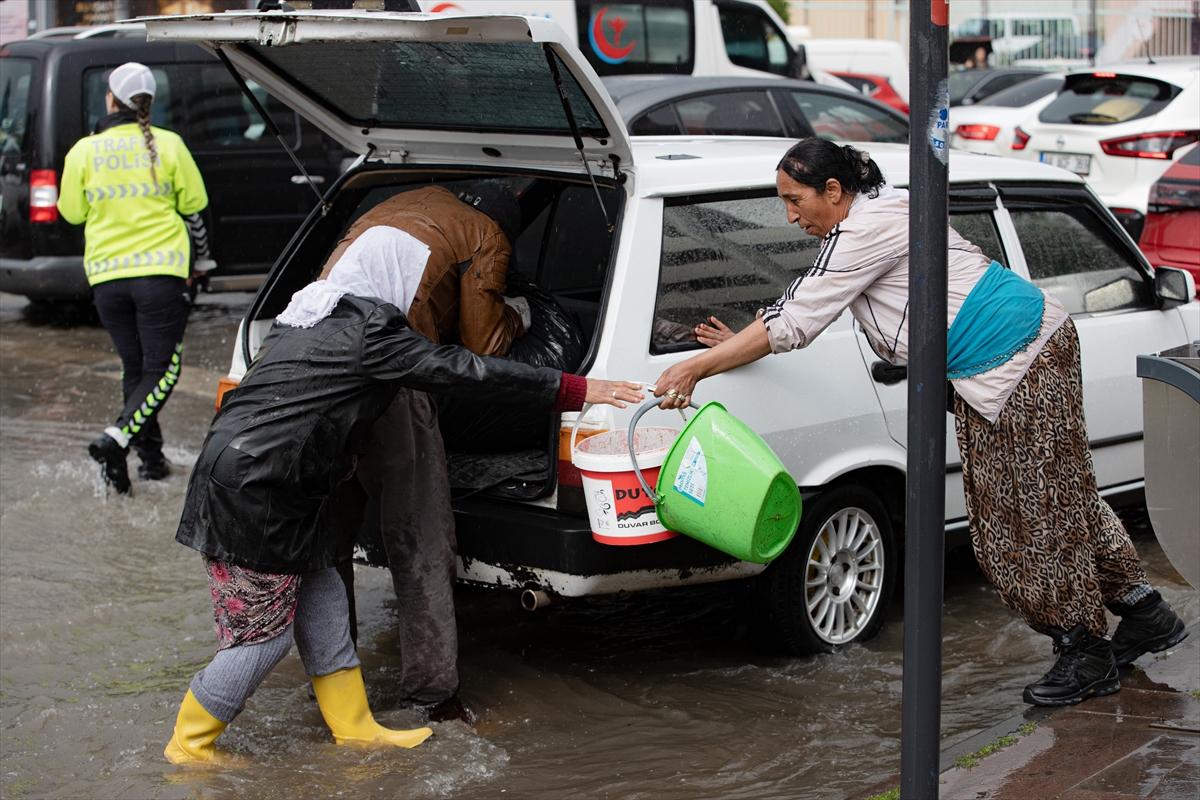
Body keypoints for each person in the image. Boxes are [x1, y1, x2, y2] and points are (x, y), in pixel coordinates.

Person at [655, 138, 1186, 708]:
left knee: (1019, 518)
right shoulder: (876, 211)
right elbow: (800, 307)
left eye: (793, 200)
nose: (788, 216)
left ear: (833, 191)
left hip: (1012, 359)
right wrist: (734, 345)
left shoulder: (863, 230)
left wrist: (697, 366)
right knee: (1061, 499)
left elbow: (796, 320)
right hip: (1031, 346)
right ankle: (1144, 612)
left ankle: (1085, 650)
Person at [163, 226, 642, 764]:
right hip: (257, 495)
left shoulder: (303, 315)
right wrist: (573, 388)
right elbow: (466, 371)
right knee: (263, 639)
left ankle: (356, 728)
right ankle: (190, 744)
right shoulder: (372, 330)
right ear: (396, 276)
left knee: (323, 609)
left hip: (279, 484)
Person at [319, 182, 528, 720]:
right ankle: (430, 696)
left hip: (314, 358)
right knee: (421, 537)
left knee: (328, 538)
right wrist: (520, 312)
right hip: (387, 372)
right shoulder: (487, 235)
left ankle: (333, 687)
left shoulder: (385, 206)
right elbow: (484, 347)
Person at [57, 62, 214, 494]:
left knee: (137, 369)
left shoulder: (84, 151)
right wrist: (202, 262)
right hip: (161, 276)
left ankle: (149, 462)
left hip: (107, 278)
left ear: (111, 99)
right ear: (149, 102)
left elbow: (71, 212)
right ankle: (118, 438)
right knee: (164, 370)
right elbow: (195, 211)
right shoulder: (171, 145)